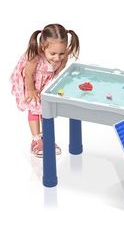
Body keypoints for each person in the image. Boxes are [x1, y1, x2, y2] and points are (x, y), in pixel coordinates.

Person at [10, 24, 80, 158]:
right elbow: (28, 74)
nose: (57, 58)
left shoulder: (63, 56)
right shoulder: (35, 56)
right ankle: (36, 141)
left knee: (46, 110)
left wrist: (55, 86)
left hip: (46, 83)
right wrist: (31, 90)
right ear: (43, 47)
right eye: (53, 54)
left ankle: (47, 139)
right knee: (34, 108)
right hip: (31, 83)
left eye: (61, 53)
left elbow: (58, 72)